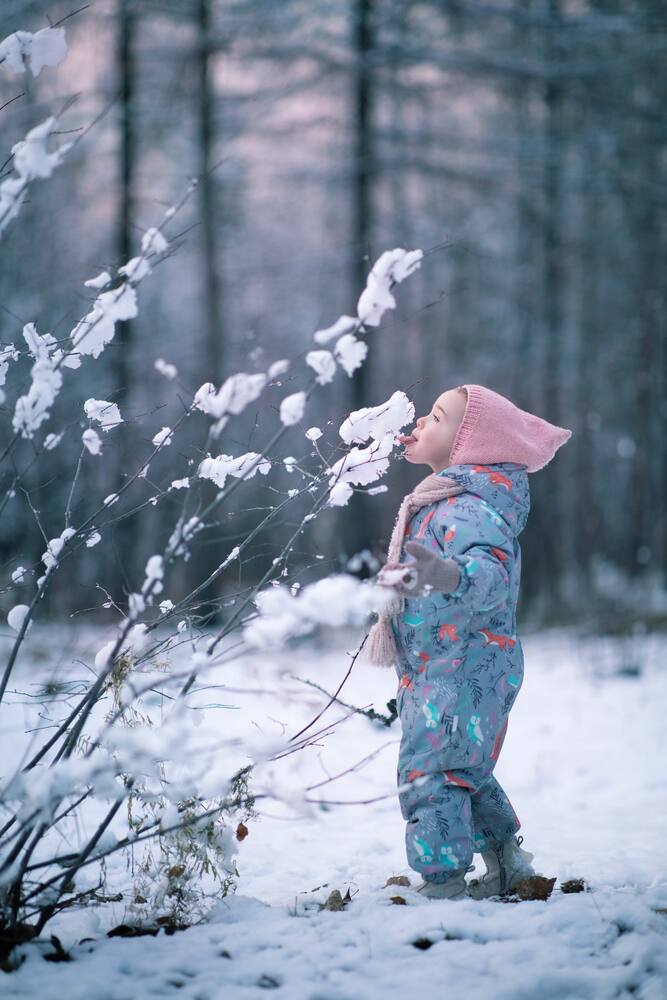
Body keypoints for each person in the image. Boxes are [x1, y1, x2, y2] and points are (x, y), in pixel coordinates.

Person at [368, 384, 572, 900]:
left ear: (468, 446)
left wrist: (447, 574)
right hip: (448, 663)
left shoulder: (467, 508)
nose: (420, 423)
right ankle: (506, 863)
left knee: (429, 774)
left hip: (461, 668)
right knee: (461, 768)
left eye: (436, 417)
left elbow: (489, 576)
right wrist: (409, 586)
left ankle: (443, 888)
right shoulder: (446, 501)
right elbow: (437, 580)